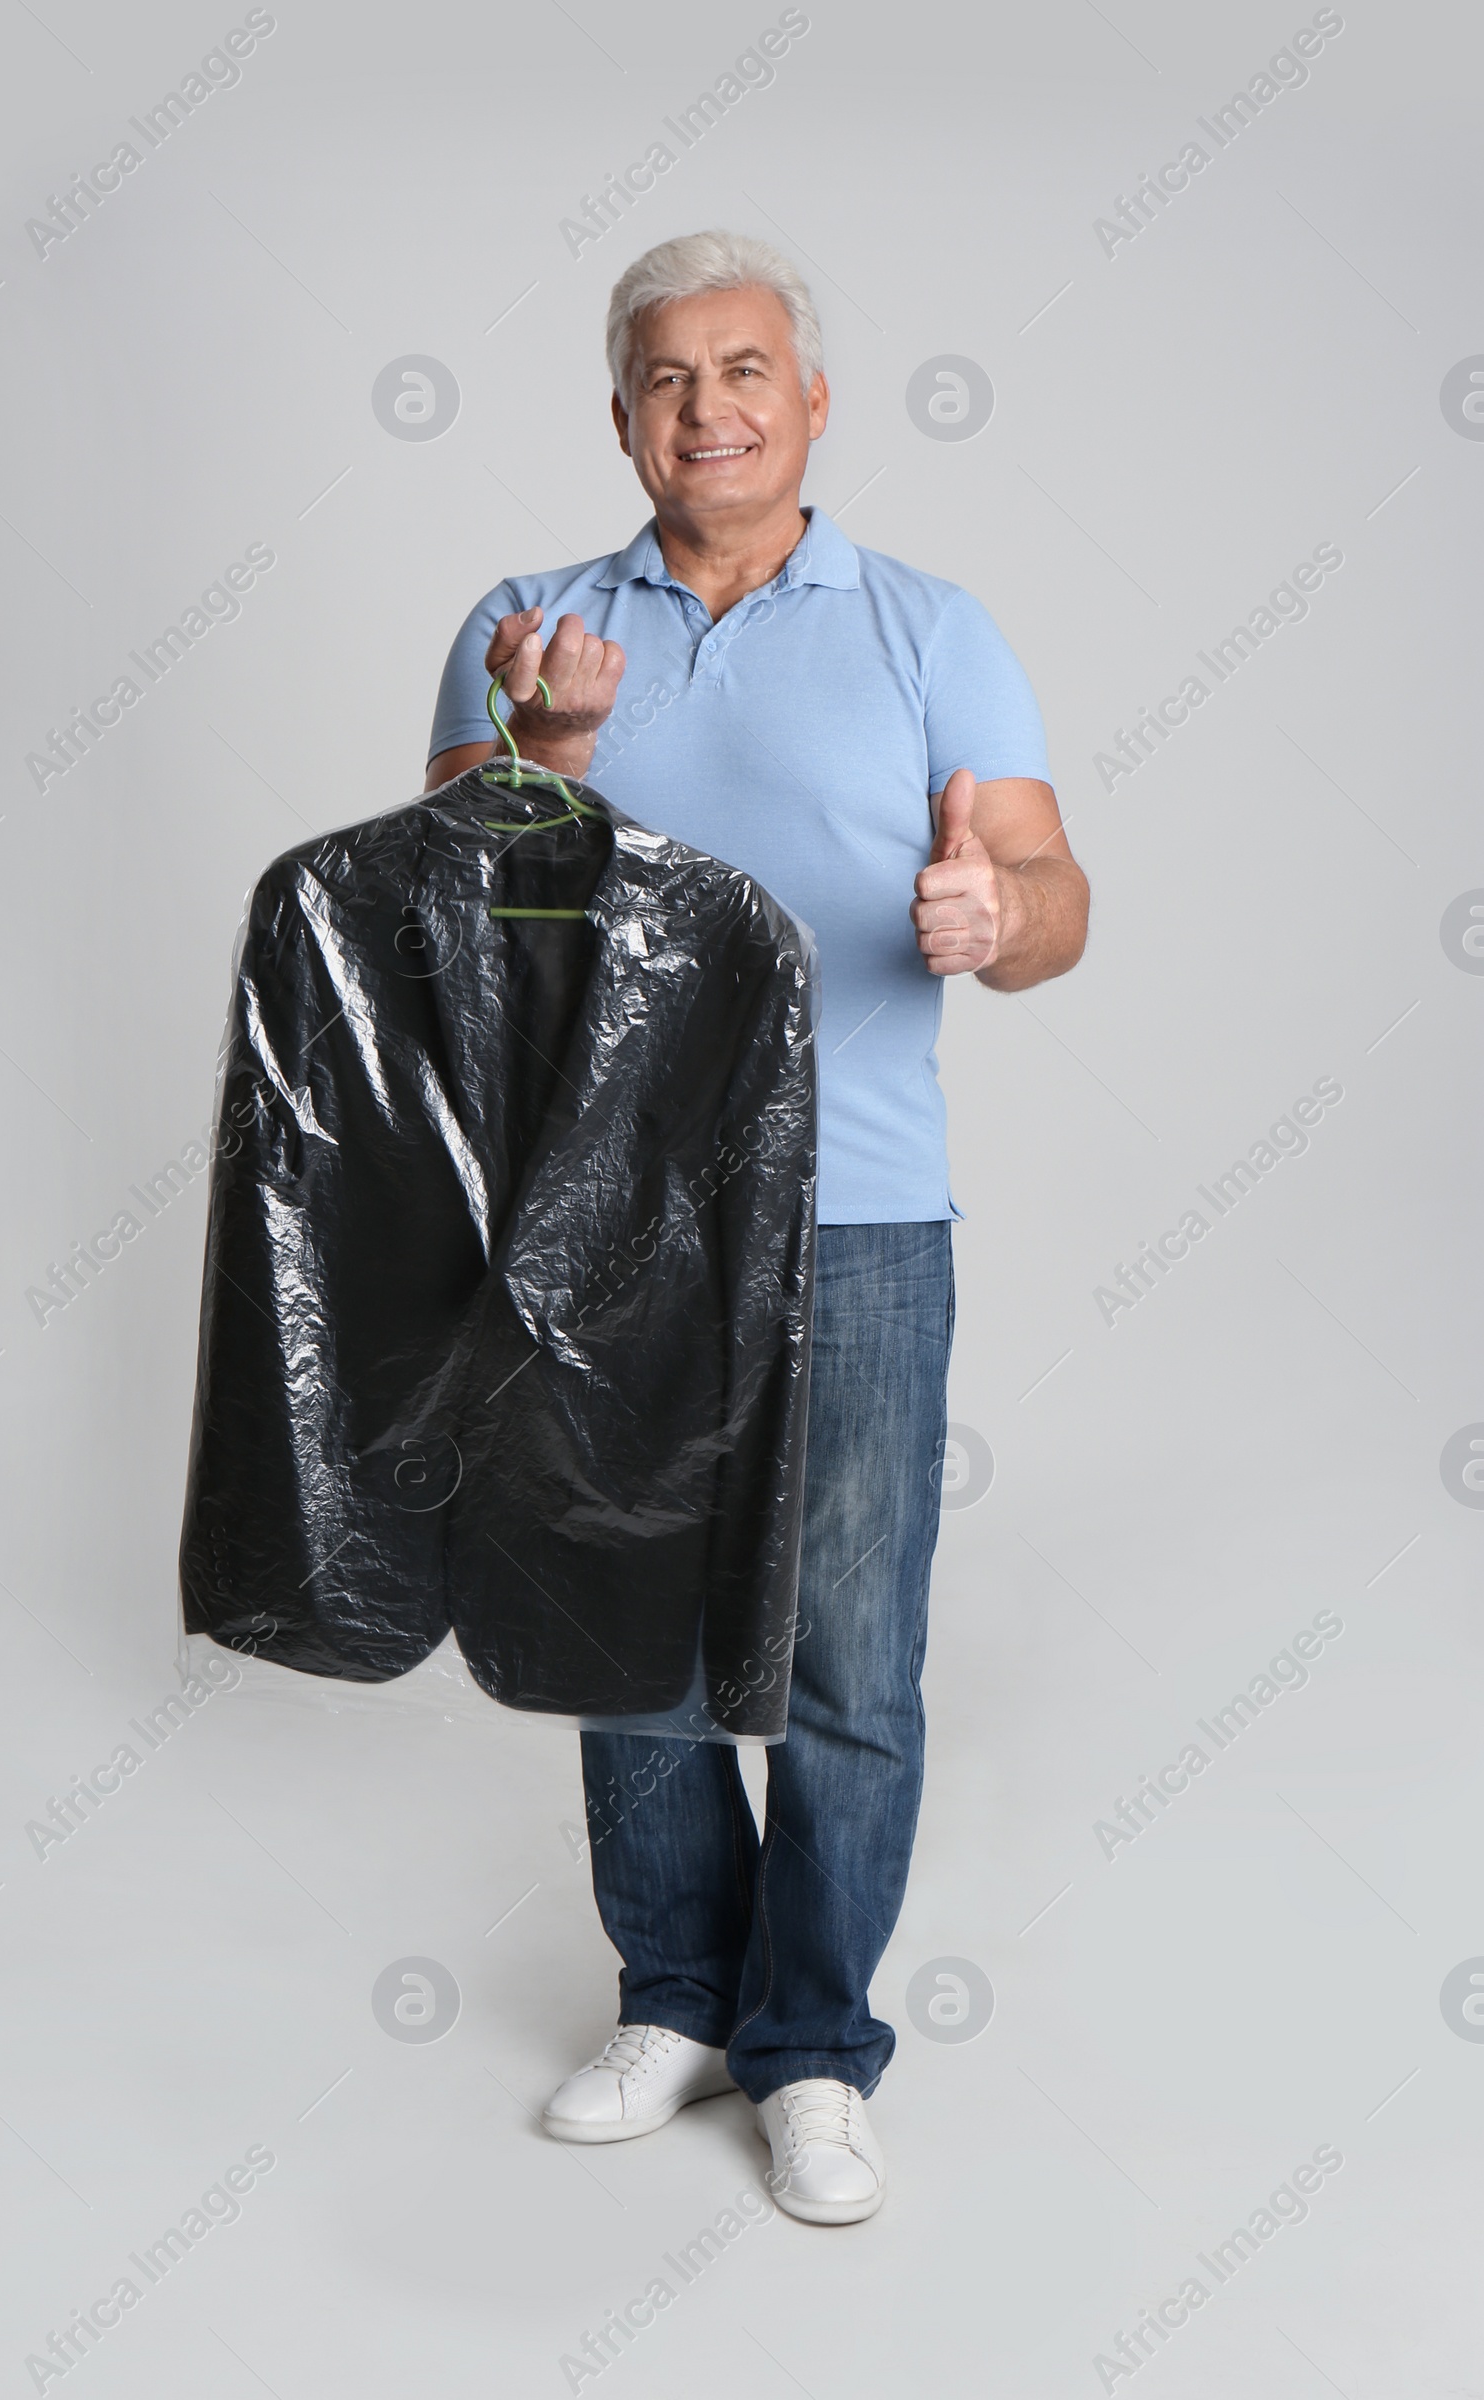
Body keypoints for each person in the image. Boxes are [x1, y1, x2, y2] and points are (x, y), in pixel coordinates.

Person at [426, 230, 1089, 2225]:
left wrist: (999, 922)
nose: (703, 407)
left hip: (858, 1217)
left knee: (842, 1660)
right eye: (662, 377)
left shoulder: (924, 629)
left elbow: (1051, 886)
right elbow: (457, 918)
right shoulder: (528, 621)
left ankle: (810, 2045)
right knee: (624, 1634)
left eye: (742, 370)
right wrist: (545, 752)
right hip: (603, 1220)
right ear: (616, 415)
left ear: (809, 402)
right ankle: (678, 1996)